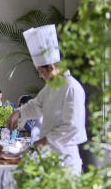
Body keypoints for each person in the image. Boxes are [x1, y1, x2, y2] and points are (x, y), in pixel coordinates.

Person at [7, 24, 87, 175]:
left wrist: (43, 141)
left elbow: (72, 127)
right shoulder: (50, 88)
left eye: (40, 72)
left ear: (51, 67)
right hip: (48, 157)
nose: (40, 76)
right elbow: (36, 106)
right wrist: (18, 113)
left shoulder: (72, 88)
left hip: (65, 160)